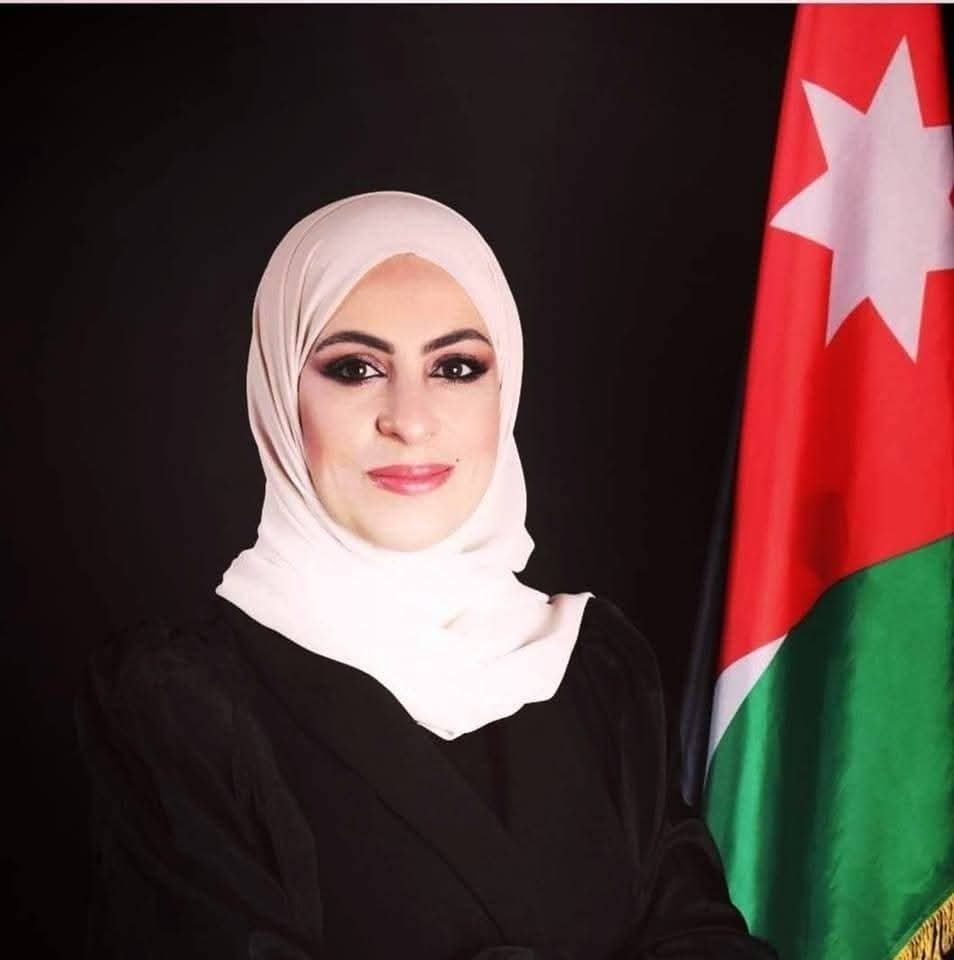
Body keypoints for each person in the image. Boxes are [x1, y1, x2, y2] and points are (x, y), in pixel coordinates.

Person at [75, 191, 776, 960]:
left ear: (504, 390)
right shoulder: (179, 700)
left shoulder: (594, 665)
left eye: (454, 367)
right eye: (355, 368)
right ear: (279, 393)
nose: (409, 419)